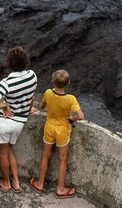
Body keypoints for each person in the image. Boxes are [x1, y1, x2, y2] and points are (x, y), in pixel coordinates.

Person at [29, 70, 84, 199]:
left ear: (53, 81)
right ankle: (60, 189)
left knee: (45, 156)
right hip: (63, 130)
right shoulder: (70, 99)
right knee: (62, 159)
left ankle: (40, 184)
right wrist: (71, 117)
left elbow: (42, 106)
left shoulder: (48, 93)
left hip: (49, 127)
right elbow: (81, 116)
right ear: (68, 83)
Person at [0, 46, 37, 193]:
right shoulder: (32, 76)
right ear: (25, 61)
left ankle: (5, 182)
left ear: (9, 63)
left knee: (3, 152)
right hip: (20, 122)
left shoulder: (6, 82)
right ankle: (16, 182)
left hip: (5, 121)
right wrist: (29, 108)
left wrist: (4, 105)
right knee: (10, 149)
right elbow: (31, 95)